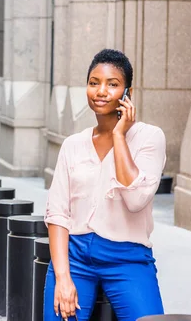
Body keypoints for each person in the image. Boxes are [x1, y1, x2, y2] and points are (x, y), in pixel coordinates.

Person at [44, 49, 166, 321]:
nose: (101, 91)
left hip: (128, 257)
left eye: (112, 84)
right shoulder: (72, 145)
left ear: (127, 93)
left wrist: (120, 135)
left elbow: (136, 201)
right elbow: (58, 214)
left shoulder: (149, 138)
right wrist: (63, 278)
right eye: (94, 82)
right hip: (74, 255)